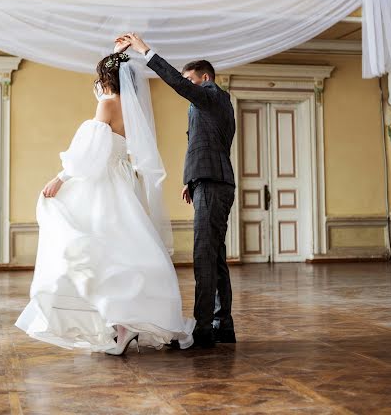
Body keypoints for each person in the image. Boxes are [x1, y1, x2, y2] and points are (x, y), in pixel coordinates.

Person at [15, 51, 194, 354]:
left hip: (103, 186)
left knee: (95, 251)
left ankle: (119, 325)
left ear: (104, 79)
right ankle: (123, 327)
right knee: (124, 253)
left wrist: (60, 178)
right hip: (123, 184)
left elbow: (89, 153)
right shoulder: (132, 108)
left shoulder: (107, 104)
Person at [115, 33, 236, 349]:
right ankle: (223, 325)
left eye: (190, 80)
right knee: (215, 256)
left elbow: (180, 87)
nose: (188, 85)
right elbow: (203, 142)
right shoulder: (210, 104)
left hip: (213, 183)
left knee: (203, 257)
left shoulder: (213, 95)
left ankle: (204, 331)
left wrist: (145, 51)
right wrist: (190, 179)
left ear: (204, 78)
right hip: (208, 181)